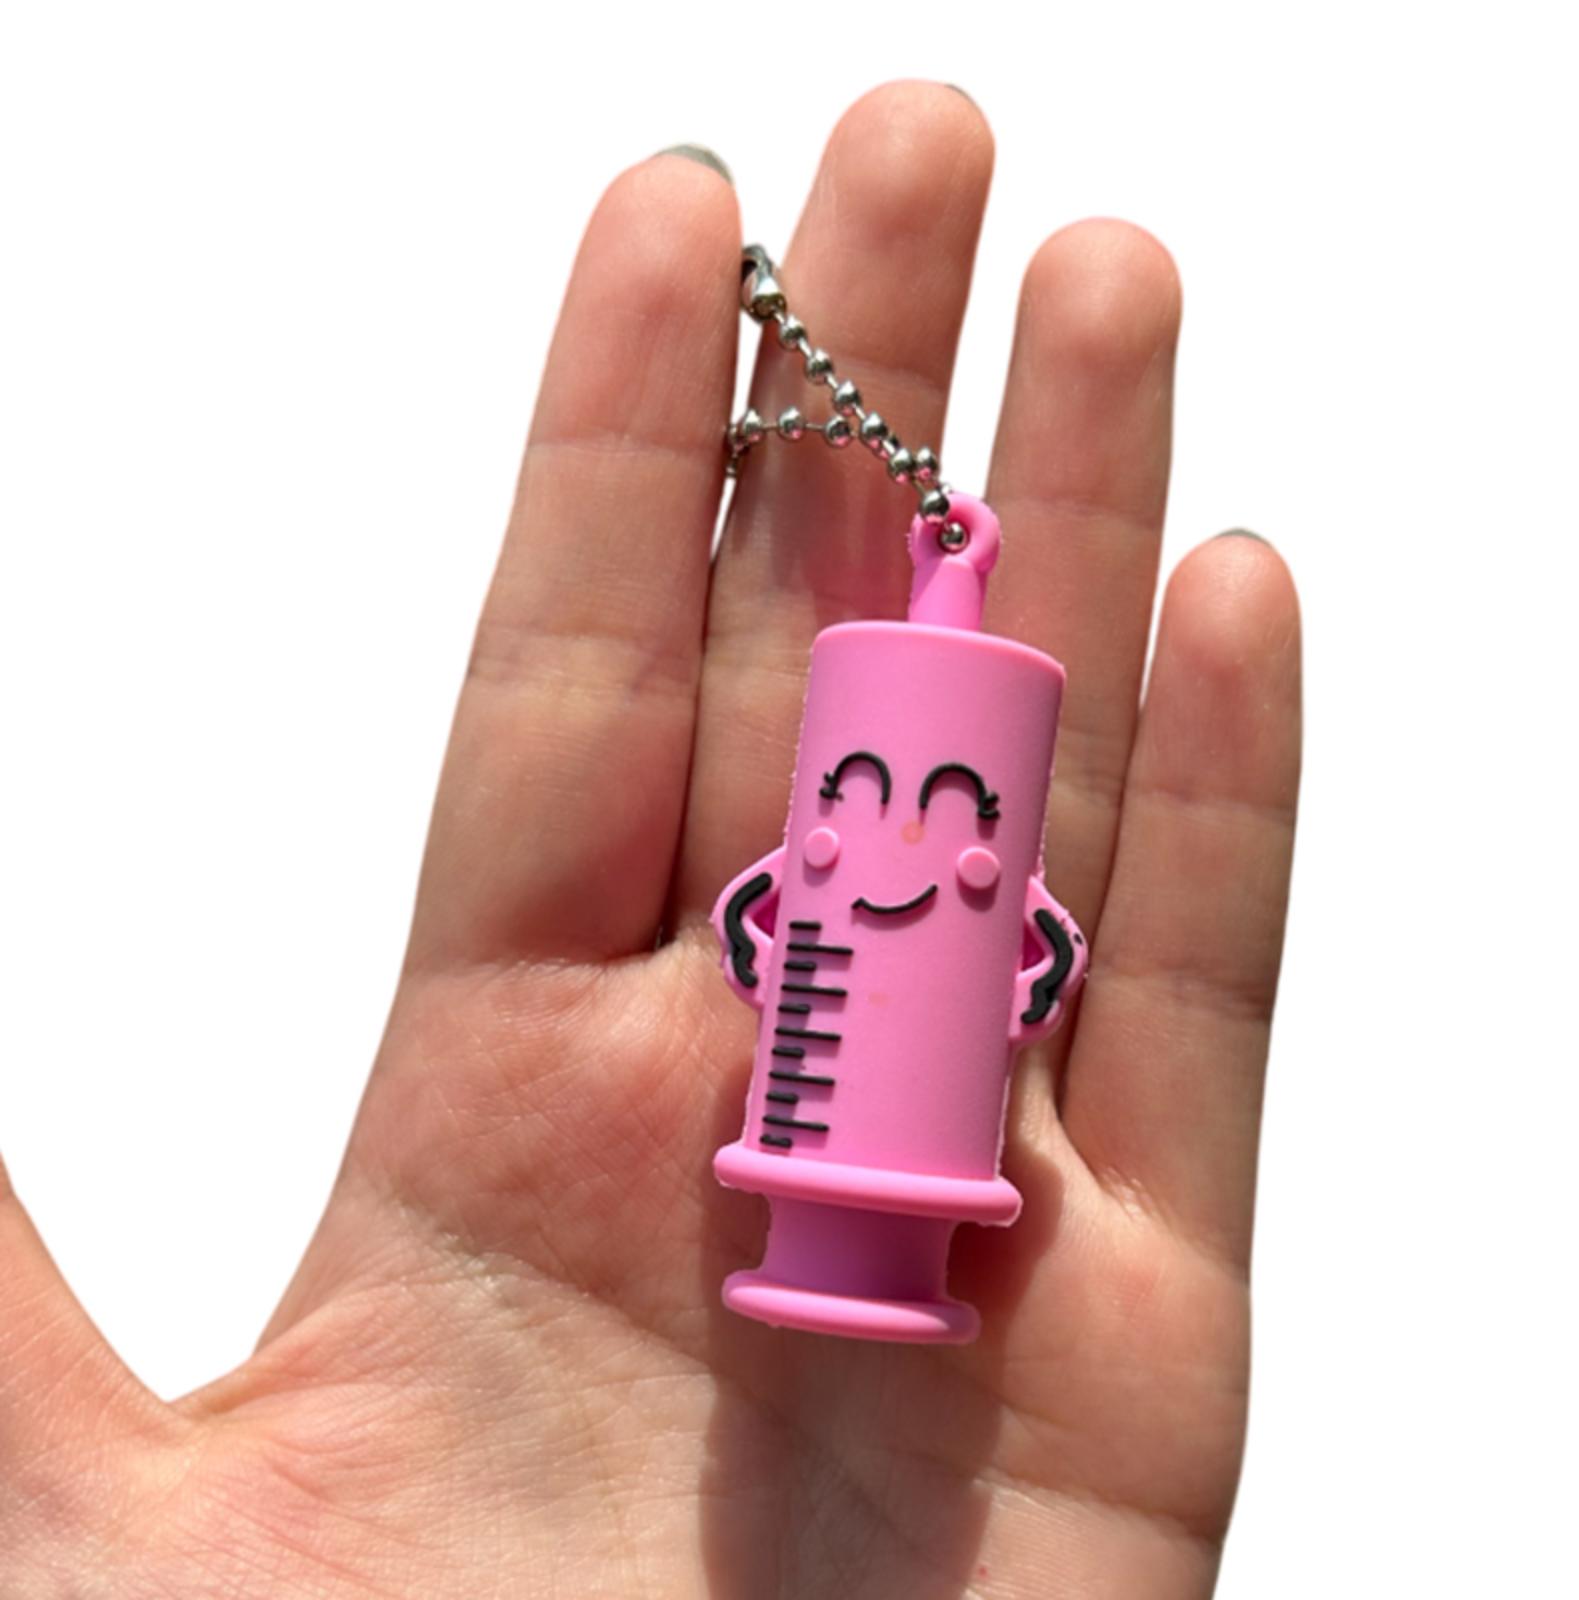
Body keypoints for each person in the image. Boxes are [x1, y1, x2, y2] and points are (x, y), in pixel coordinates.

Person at [0, 81, 1301, 1598]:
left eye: (952, 821)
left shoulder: (928, 895)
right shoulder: (852, 894)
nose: (885, 848)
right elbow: (830, 930)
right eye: (854, 802)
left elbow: (951, 946)